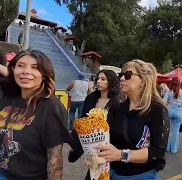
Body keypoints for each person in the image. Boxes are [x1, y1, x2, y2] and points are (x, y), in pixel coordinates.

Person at [0, 50, 71, 179]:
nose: (26, 71)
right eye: (20, 66)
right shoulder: (7, 95)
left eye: (35, 68)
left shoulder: (51, 107)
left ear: (44, 75)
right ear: (13, 69)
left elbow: (54, 158)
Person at [94, 60, 169, 179]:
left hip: (141, 175)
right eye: (121, 75)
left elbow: (157, 152)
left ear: (143, 81)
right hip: (112, 173)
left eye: (128, 75)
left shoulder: (157, 110)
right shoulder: (117, 107)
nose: (122, 78)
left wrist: (120, 155)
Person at [68, 69, 122, 180]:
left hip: (107, 147)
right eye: (98, 79)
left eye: (103, 79)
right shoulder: (91, 98)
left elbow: (117, 128)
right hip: (90, 145)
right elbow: (82, 121)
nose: (98, 81)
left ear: (111, 81)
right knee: (93, 175)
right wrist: (76, 146)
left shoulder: (117, 102)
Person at [164, 77, 182, 153]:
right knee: (176, 130)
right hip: (178, 111)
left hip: (170, 110)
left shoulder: (168, 91)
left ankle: (167, 148)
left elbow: (164, 101)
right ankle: (174, 149)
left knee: (169, 130)